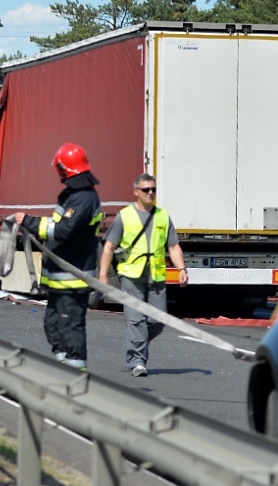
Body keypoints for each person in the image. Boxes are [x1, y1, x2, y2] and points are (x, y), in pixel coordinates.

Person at [13, 143, 103, 370]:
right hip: (58, 276)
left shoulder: (84, 199)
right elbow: (56, 224)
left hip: (73, 276)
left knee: (70, 327)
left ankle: (76, 378)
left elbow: (63, 230)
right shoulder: (70, 195)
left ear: (65, 169)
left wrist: (29, 222)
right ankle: (62, 371)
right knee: (53, 325)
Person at [98, 173, 187, 377]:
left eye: (153, 189)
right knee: (136, 319)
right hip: (131, 275)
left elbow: (173, 246)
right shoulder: (125, 216)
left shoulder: (162, 216)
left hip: (155, 275)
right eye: (146, 189)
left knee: (158, 320)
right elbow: (109, 246)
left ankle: (136, 342)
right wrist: (103, 274)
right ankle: (137, 361)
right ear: (136, 192)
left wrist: (182, 268)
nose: (150, 193)